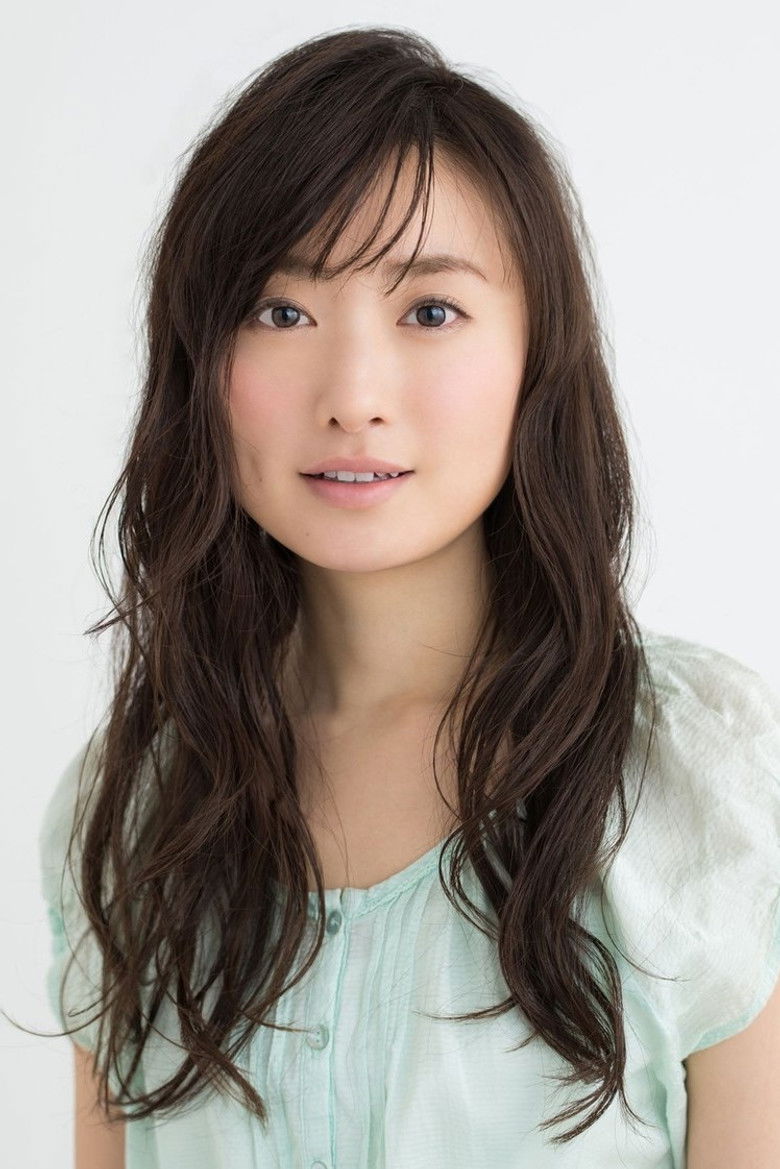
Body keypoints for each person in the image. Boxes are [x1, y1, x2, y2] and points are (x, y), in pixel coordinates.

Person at [32, 25, 779, 1169]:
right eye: (280, 310)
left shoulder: (692, 772)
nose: (354, 394)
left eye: (430, 310)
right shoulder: (135, 807)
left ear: (537, 354)